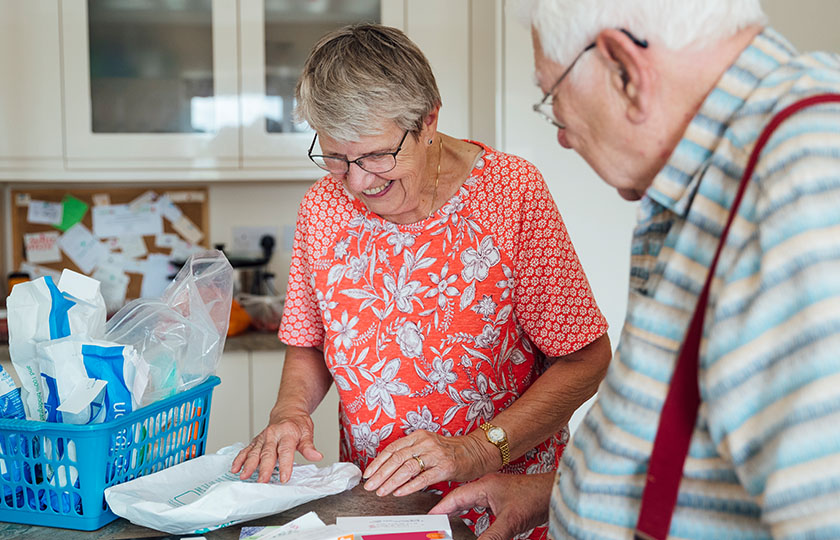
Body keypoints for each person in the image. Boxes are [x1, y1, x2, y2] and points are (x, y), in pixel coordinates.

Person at [431, 0, 840, 538]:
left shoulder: (806, 178)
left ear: (626, 69)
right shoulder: (729, 166)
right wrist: (559, 490)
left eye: (553, 99)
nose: (561, 134)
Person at [229, 23, 612, 538]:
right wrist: (290, 412)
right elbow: (310, 343)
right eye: (337, 158)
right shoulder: (323, 207)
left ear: (429, 120)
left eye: (376, 156)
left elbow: (586, 357)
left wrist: (477, 449)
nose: (359, 182)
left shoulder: (511, 194)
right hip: (378, 508)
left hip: (506, 507)